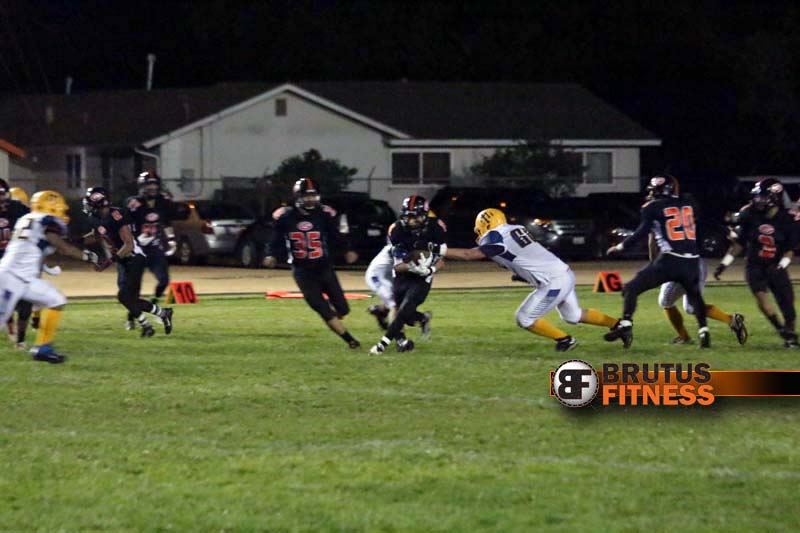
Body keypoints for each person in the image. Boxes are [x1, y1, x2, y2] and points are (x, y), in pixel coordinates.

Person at [442, 208, 618, 351]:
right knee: (573, 315)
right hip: (564, 272)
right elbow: (524, 256)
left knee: (524, 318)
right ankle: (618, 325)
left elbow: (469, 254)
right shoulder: (515, 229)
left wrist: (439, 250)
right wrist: (523, 275)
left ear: (486, 224)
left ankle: (565, 340)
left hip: (554, 281)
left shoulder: (495, 235)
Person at [605, 175, 710, 348]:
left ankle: (626, 325)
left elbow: (641, 232)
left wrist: (621, 246)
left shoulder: (652, 207)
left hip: (671, 259)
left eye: (654, 191)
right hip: (692, 260)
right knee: (695, 296)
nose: (651, 194)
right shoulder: (688, 204)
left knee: (631, 288)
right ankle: (704, 333)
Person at [0, 190, 102, 363]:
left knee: (56, 300)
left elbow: (46, 245)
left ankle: (43, 348)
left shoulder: (27, 219)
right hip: (11, 277)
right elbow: (63, 247)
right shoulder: (45, 220)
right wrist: (87, 256)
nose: (62, 211)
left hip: (25, 278)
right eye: (58, 207)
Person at [262, 178, 360, 348]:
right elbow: (275, 239)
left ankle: (335, 317)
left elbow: (335, 236)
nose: (310, 199)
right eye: (307, 196)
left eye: (313, 195)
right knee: (322, 308)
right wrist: (271, 254)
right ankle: (350, 340)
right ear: (297, 197)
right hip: (302, 270)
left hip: (323, 266)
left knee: (343, 309)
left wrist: (347, 249)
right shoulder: (286, 217)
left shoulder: (323, 215)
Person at [714, 178, 800, 347]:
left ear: (774, 198)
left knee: (788, 307)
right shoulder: (749, 214)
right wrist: (723, 265)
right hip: (755, 265)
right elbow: (738, 244)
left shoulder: (787, 219)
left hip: (776, 265)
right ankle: (781, 329)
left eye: (762, 197)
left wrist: (781, 266)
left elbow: (789, 250)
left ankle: (790, 337)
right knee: (761, 298)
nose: (757, 200)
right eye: (757, 196)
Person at [83, 186, 173, 337]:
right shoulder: (96, 218)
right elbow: (96, 235)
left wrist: (109, 261)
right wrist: (74, 241)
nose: (88, 205)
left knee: (124, 297)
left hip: (135, 258)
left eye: (90, 201)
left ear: (99, 201)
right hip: (123, 260)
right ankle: (161, 315)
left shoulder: (117, 215)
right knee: (129, 298)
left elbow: (129, 244)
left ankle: (147, 325)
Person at [369, 196, 443, 355]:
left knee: (401, 310)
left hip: (419, 276)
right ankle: (410, 326)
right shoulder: (397, 230)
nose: (411, 221)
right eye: (408, 216)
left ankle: (391, 340)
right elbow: (398, 265)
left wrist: (429, 270)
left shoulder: (435, 227)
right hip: (393, 271)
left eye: (415, 217)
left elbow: (441, 258)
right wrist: (413, 266)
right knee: (400, 310)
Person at [125, 171, 177, 330]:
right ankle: (131, 317)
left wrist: (171, 239)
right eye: (149, 185)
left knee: (164, 280)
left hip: (154, 248)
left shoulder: (163, 201)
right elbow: (125, 225)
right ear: (142, 186)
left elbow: (166, 222)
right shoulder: (133, 203)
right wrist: (134, 240)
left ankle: (155, 307)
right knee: (135, 290)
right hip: (138, 250)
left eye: (154, 184)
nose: (152, 188)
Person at [0, 181, 31, 348]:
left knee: (25, 302)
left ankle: (20, 339)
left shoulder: (19, 209)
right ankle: (12, 330)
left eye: (1, 194)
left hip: (19, 262)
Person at [365, 242, 395, 330]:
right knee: (395, 305)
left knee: (401, 300)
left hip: (387, 276)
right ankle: (398, 336)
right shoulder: (396, 248)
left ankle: (380, 311)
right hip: (376, 277)